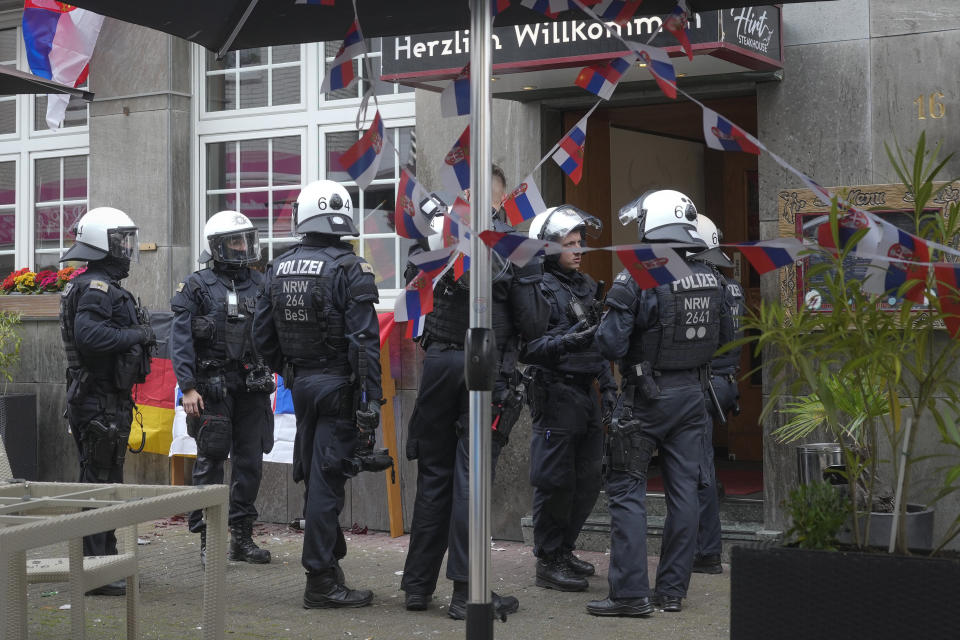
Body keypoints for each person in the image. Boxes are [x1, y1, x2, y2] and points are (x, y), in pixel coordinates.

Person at [400, 165, 549, 620]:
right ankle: (468, 592)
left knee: (435, 477)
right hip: (480, 368)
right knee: (471, 480)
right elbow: (534, 324)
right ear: (502, 202)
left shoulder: (436, 239)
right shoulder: (514, 247)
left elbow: (413, 296)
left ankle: (417, 587)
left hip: (439, 365)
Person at [589, 189, 733, 617]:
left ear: (651, 225)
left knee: (627, 489)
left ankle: (630, 595)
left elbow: (610, 343)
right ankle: (671, 592)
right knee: (685, 494)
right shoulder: (712, 277)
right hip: (693, 398)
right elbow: (726, 340)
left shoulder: (638, 276)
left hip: (645, 397)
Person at [253, 179, 383, 609]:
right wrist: (370, 402)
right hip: (338, 387)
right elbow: (365, 343)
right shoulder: (351, 269)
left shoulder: (277, 267)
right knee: (328, 484)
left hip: (302, 385)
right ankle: (320, 581)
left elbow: (262, 336)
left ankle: (330, 564)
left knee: (314, 476)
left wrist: (289, 373)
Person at [520, 205, 617, 592]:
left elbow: (598, 343)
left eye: (580, 243)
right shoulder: (537, 287)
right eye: (569, 244)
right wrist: (568, 340)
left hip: (586, 393)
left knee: (589, 478)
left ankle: (565, 547)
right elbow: (529, 347)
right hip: (555, 392)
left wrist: (608, 386)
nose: (578, 250)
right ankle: (548, 559)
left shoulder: (585, 285)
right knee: (554, 481)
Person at [171, 211, 274, 567]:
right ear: (216, 246)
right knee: (211, 460)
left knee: (250, 463)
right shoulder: (196, 286)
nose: (243, 246)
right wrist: (187, 388)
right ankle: (208, 541)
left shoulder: (262, 284)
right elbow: (180, 341)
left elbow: (274, 334)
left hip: (252, 386)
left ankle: (241, 539)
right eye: (234, 241)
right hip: (211, 387)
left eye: (246, 239)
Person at [59, 207, 154, 597]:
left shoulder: (94, 285)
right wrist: (138, 335)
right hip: (97, 400)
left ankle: (105, 559)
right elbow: (90, 337)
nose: (127, 249)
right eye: (120, 241)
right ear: (101, 245)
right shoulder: (95, 288)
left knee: (104, 482)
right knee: (98, 484)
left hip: (102, 398)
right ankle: (96, 570)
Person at [689, 214, 744, 575]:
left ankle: (706, 550)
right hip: (725, 383)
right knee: (701, 466)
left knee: (698, 470)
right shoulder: (731, 285)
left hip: (704, 384)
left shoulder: (706, 287)